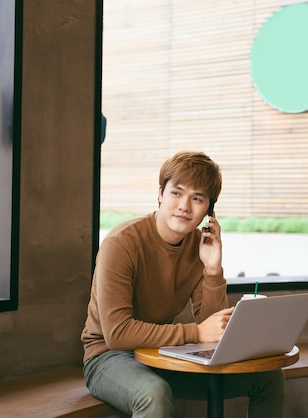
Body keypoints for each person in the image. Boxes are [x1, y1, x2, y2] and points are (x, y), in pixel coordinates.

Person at [81, 151, 285, 418]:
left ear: (209, 209)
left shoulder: (199, 246)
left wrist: (212, 269)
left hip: (160, 352)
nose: (185, 206)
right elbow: (117, 333)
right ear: (160, 194)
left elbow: (212, 326)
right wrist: (196, 333)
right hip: (108, 357)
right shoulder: (122, 243)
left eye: (197, 198)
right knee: (153, 393)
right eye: (176, 193)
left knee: (268, 377)